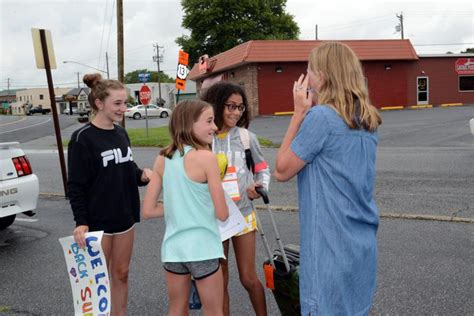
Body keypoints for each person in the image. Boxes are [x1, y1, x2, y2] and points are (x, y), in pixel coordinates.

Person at [274, 42, 383, 315]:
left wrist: (299, 113)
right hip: (361, 242)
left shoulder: (321, 118)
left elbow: (282, 170)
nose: (306, 76)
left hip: (329, 247)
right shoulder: (367, 120)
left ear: (322, 75)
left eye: (309, 70)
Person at [67, 73, 152, 316]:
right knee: (97, 281)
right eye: (118, 103)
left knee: (121, 274)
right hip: (97, 222)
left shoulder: (120, 133)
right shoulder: (82, 139)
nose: (123, 108)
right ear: (99, 103)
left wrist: (141, 175)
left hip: (124, 217)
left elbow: (127, 168)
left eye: (125, 103)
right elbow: (75, 185)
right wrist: (81, 221)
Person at [142, 100, 229, 316]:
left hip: (173, 250)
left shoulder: (163, 158)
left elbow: (148, 210)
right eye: (209, 121)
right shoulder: (207, 158)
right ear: (190, 124)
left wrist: (179, 206)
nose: (215, 127)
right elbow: (222, 213)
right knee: (213, 311)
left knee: (177, 309)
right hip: (203, 248)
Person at [201, 82, 271, 316]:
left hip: (243, 214)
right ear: (217, 105)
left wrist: (258, 187)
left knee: (248, 277)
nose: (235, 112)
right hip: (213, 219)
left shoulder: (246, 137)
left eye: (240, 108)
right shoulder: (203, 138)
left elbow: (263, 170)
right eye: (230, 106)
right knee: (220, 280)